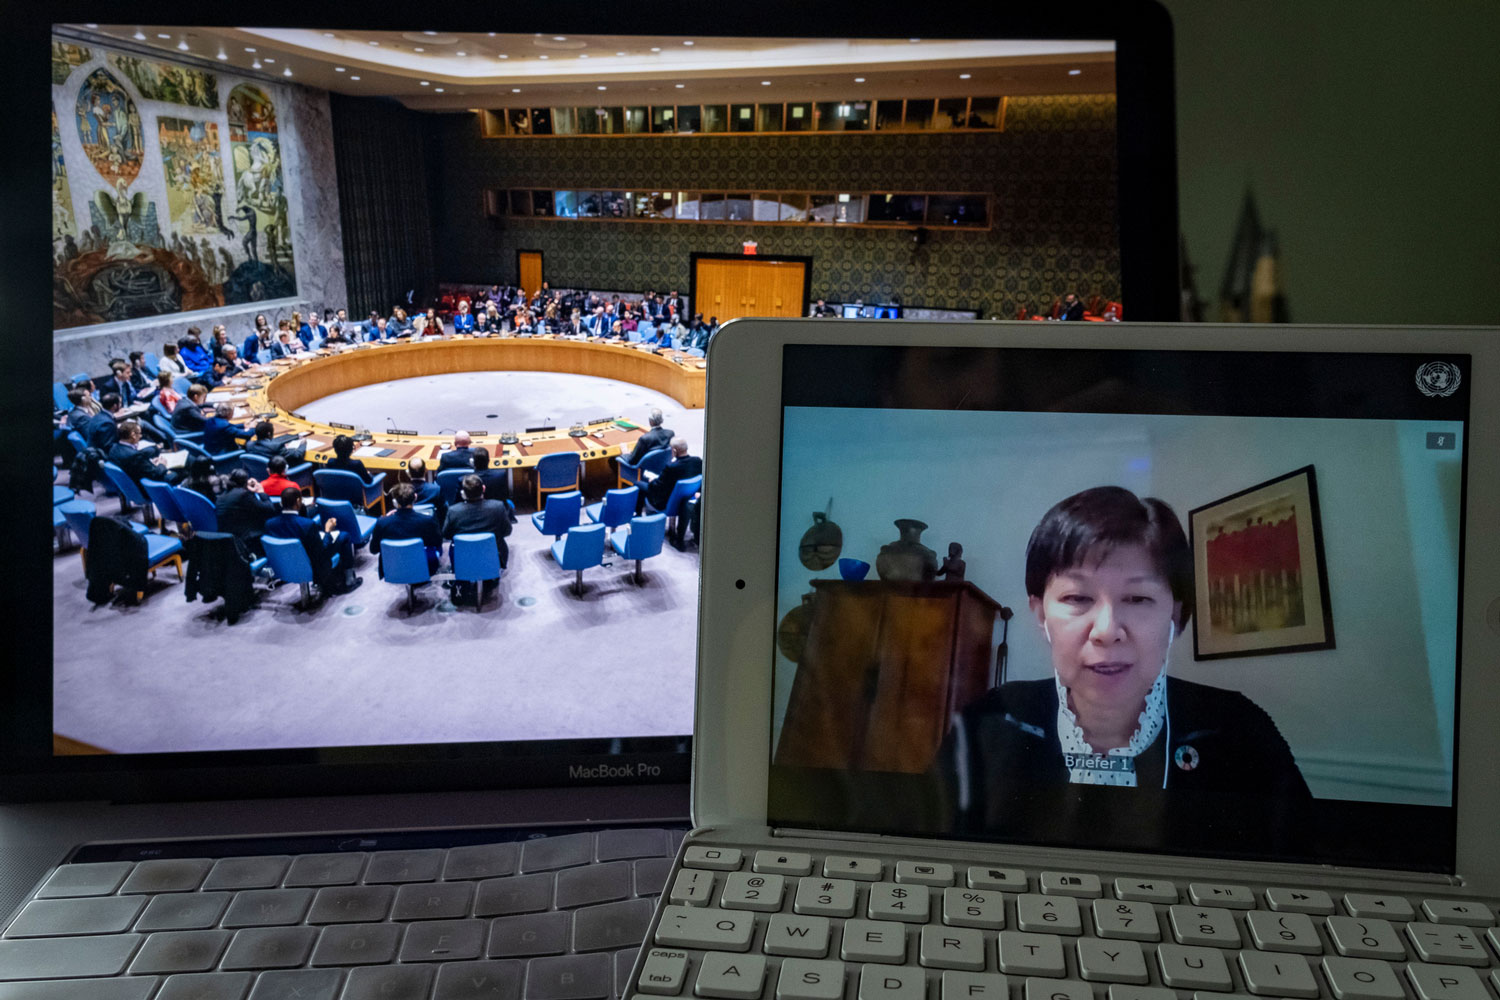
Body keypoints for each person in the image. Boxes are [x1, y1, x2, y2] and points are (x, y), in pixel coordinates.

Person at [934, 486, 1310, 846]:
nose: (1107, 631)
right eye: (1078, 597)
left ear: (1175, 616)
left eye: (1137, 597)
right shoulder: (987, 723)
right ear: (1040, 615)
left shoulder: (1238, 730)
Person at [263, 487, 360, 595]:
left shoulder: (269, 524)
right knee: (344, 536)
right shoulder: (307, 525)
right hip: (312, 563)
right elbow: (322, 548)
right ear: (298, 501)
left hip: (285, 564)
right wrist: (328, 531)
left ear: (281, 503)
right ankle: (349, 581)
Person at [443, 474, 512, 599]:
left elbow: (447, 535)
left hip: (462, 557)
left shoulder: (453, 511)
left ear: (463, 493)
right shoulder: (498, 507)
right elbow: (507, 531)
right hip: (494, 555)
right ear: (484, 489)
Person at [369, 482, 442, 577]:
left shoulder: (382, 523)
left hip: (393, 568)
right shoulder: (428, 521)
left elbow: (373, 550)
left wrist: (385, 520)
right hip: (422, 567)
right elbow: (437, 543)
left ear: (394, 502)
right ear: (415, 498)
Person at [215, 468, 277, 556]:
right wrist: (261, 492)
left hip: (229, 538)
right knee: (272, 523)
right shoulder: (243, 495)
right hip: (246, 539)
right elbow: (270, 509)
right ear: (245, 483)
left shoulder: (221, 496)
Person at [642, 436, 703, 524]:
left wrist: (652, 481)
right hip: (686, 499)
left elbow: (658, 486)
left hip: (666, 502)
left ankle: (641, 518)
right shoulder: (698, 461)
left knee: (640, 485)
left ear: (674, 451)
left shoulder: (671, 467)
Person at [107, 419, 184, 485]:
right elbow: (155, 474)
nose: (140, 436)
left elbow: (139, 467)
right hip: (147, 486)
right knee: (180, 474)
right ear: (133, 435)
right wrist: (161, 464)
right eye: (140, 433)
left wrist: (149, 462)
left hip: (134, 481)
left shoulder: (113, 449)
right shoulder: (134, 456)